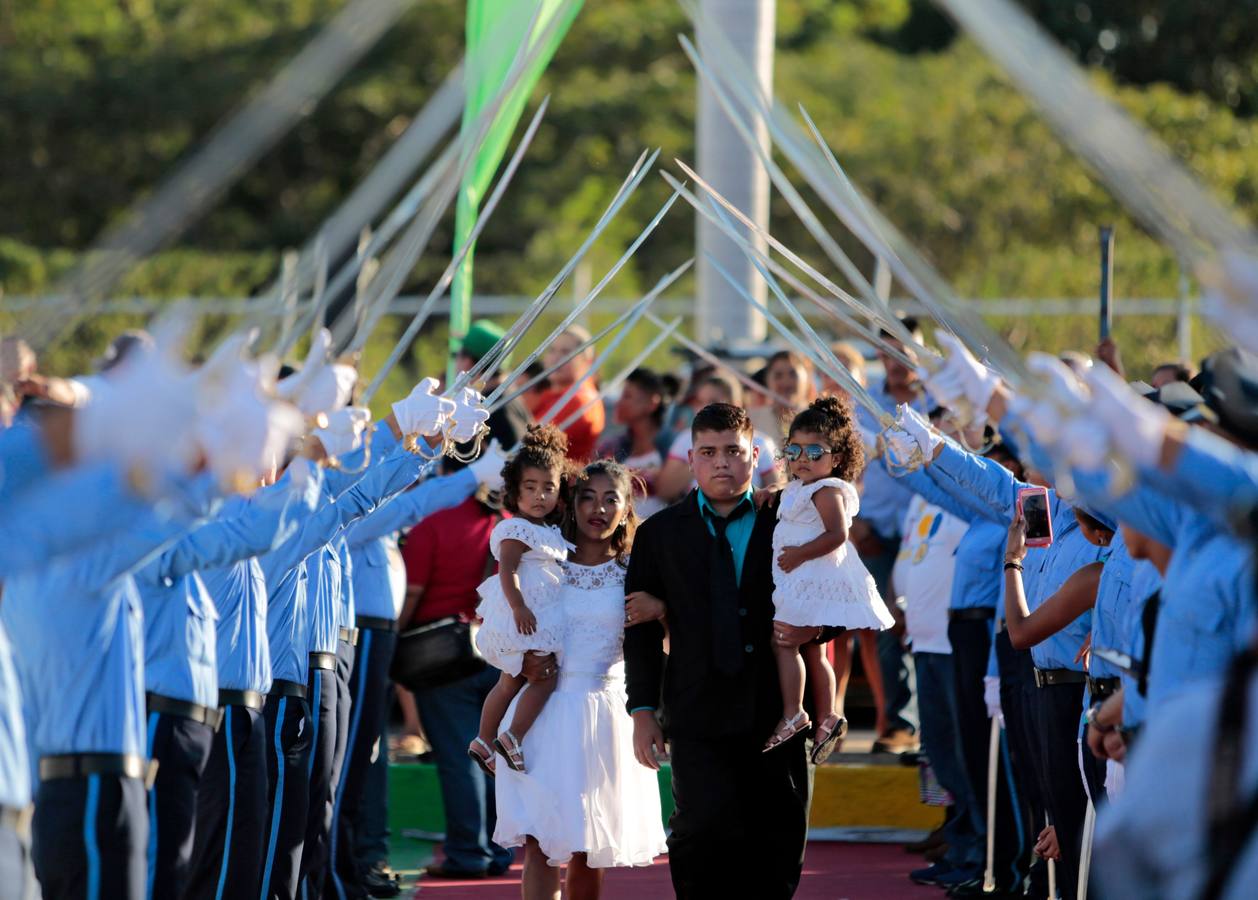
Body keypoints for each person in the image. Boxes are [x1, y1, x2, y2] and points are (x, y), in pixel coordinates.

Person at [623, 402, 840, 899]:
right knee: (700, 833)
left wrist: (816, 631)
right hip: (697, 708)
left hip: (777, 709)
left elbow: (834, 593)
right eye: (708, 452)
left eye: (733, 452)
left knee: (779, 837)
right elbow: (637, 630)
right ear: (691, 459)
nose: (722, 462)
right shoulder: (659, 533)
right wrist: (641, 709)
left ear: (756, 455)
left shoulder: (792, 519)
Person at [494, 460, 668, 898]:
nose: (599, 508)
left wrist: (663, 609)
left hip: (607, 719)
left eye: (612, 498)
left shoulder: (637, 572)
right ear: (571, 502)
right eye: (588, 496)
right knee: (539, 842)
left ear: (627, 507)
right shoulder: (544, 559)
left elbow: (669, 641)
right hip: (544, 714)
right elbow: (502, 628)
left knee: (590, 849)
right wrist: (522, 663)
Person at [398, 474, 518, 880]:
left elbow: (411, 594)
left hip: (442, 661)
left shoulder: (432, 525)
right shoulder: (505, 524)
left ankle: (469, 852)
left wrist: (392, 642)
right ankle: (498, 851)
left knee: (458, 759)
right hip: (497, 655)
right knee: (494, 757)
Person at [766, 396, 892, 761]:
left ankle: (794, 712)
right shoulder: (801, 488)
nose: (803, 458)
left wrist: (801, 555)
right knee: (814, 650)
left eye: (814, 451)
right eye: (795, 450)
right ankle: (829, 714)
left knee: (785, 643)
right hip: (801, 575)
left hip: (809, 574)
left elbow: (838, 534)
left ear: (836, 458)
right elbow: (787, 503)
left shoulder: (826, 490)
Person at [470, 426, 573, 774]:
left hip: (534, 614)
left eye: (548, 488)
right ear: (515, 491)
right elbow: (507, 570)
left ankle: (484, 740)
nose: (539, 496)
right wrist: (518, 607)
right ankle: (512, 735)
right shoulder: (517, 529)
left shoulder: (549, 531)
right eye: (530, 488)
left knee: (510, 681)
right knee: (543, 677)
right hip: (526, 617)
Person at [856, 318, 930, 754]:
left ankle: (931, 722)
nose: (897, 362)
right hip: (879, 534)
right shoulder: (865, 404)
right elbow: (846, 463)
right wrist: (853, 521)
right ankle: (900, 721)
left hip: (930, 536)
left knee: (929, 627)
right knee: (887, 626)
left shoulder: (936, 403)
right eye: (889, 352)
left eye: (906, 351)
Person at [655, 374, 783, 503]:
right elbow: (664, 491)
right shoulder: (684, 440)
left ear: (735, 403)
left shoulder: (763, 442)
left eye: (733, 451)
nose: (703, 407)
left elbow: (778, 490)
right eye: (700, 401)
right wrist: (701, 461)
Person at [597, 367, 675, 519]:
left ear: (652, 403)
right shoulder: (612, 446)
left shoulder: (673, 447)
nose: (619, 403)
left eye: (627, 396)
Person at [529, 326, 604, 462]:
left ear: (587, 361)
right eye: (551, 350)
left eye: (566, 352)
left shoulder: (580, 400)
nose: (556, 358)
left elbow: (532, 440)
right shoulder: (552, 394)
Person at [748, 349, 815, 440]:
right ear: (768, 380)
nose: (786, 382)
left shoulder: (819, 418)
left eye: (793, 374)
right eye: (778, 375)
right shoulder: (751, 420)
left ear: (807, 378)